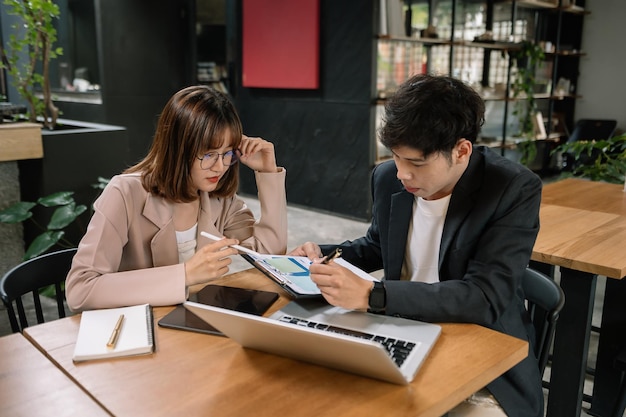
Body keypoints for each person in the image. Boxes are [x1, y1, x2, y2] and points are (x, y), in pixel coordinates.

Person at [290, 74, 543, 417]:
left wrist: (373, 294)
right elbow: (377, 246)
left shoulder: (511, 189)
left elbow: (485, 297)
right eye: (396, 157)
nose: (402, 174)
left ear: (461, 150)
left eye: (417, 163)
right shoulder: (386, 178)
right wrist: (322, 254)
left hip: (481, 352)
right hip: (400, 332)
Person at [66, 85, 287, 311]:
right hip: (140, 330)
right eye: (209, 154)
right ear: (178, 149)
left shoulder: (220, 199)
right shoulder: (124, 193)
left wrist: (268, 173)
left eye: (227, 153)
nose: (220, 167)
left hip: (195, 325)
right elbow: (81, 289)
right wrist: (184, 275)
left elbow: (271, 255)